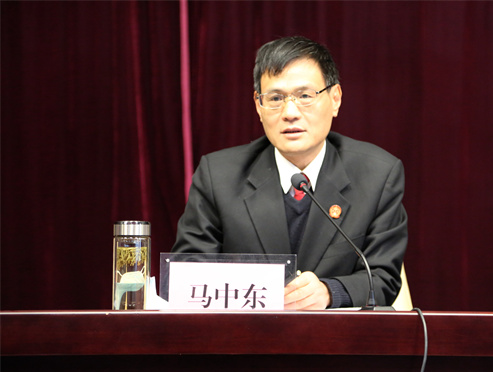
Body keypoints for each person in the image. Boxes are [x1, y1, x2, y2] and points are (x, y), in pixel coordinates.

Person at [172, 36, 408, 310]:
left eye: (305, 96)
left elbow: (383, 278)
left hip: (336, 335)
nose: (290, 112)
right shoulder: (218, 176)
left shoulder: (378, 175)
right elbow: (187, 274)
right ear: (258, 106)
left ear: (335, 99)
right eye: (275, 98)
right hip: (247, 334)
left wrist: (330, 292)